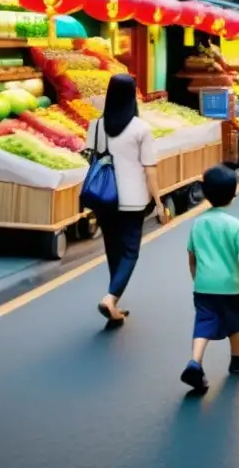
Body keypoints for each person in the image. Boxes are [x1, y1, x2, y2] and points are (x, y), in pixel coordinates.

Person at [86, 74, 167, 325]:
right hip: (133, 199)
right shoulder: (140, 128)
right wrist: (159, 201)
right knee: (130, 251)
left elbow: (90, 159)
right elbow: (149, 168)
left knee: (113, 249)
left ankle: (114, 305)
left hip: (104, 198)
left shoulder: (96, 125)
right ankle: (110, 299)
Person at [181, 165, 239, 392]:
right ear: (233, 196)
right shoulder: (235, 226)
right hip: (229, 286)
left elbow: (191, 257)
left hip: (203, 286)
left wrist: (196, 278)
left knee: (203, 324)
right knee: (232, 322)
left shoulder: (198, 223)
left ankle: (195, 362)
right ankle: (236, 358)